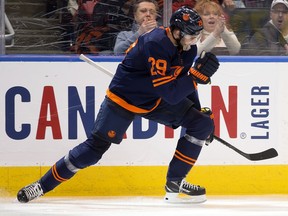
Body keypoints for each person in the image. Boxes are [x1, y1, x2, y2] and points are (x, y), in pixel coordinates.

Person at [17, 6, 219, 204]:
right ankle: (42, 185)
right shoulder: (156, 43)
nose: (195, 40)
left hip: (153, 99)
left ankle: (175, 183)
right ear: (176, 32)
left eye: (197, 36)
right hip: (123, 99)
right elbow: (171, 92)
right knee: (93, 150)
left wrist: (197, 110)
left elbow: (181, 82)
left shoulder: (188, 48)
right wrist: (195, 77)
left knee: (201, 123)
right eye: (191, 35)